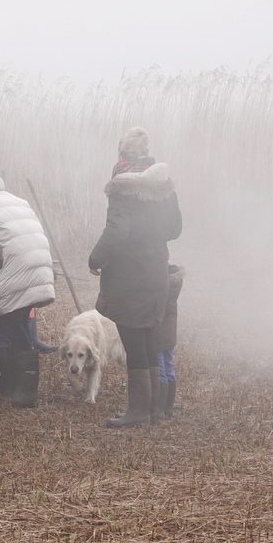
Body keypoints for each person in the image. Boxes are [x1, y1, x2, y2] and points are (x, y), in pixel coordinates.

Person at [89, 127, 182, 428]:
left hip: (130, 277)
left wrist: (96, 258)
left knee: (133, 341)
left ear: (122, 154)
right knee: (149, 339)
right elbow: (175, 229)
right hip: (155, 272)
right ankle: (153, 410)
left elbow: (117, 231)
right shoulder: (164, 185)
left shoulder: (122, 187)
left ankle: (139, 411)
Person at [0, 172, 55, 407]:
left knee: (13, 325)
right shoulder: (15, 199)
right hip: (36, 263)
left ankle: (25, 393)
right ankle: (12, 382)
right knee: (15, 322)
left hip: (16, 267)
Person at [154, 263, 185, 419]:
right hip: (170, 336)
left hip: (159, 336)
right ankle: (168, 408)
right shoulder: (175, 287)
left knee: (160, 370)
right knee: (169, 368)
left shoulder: (162, 288)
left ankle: (159, 408)